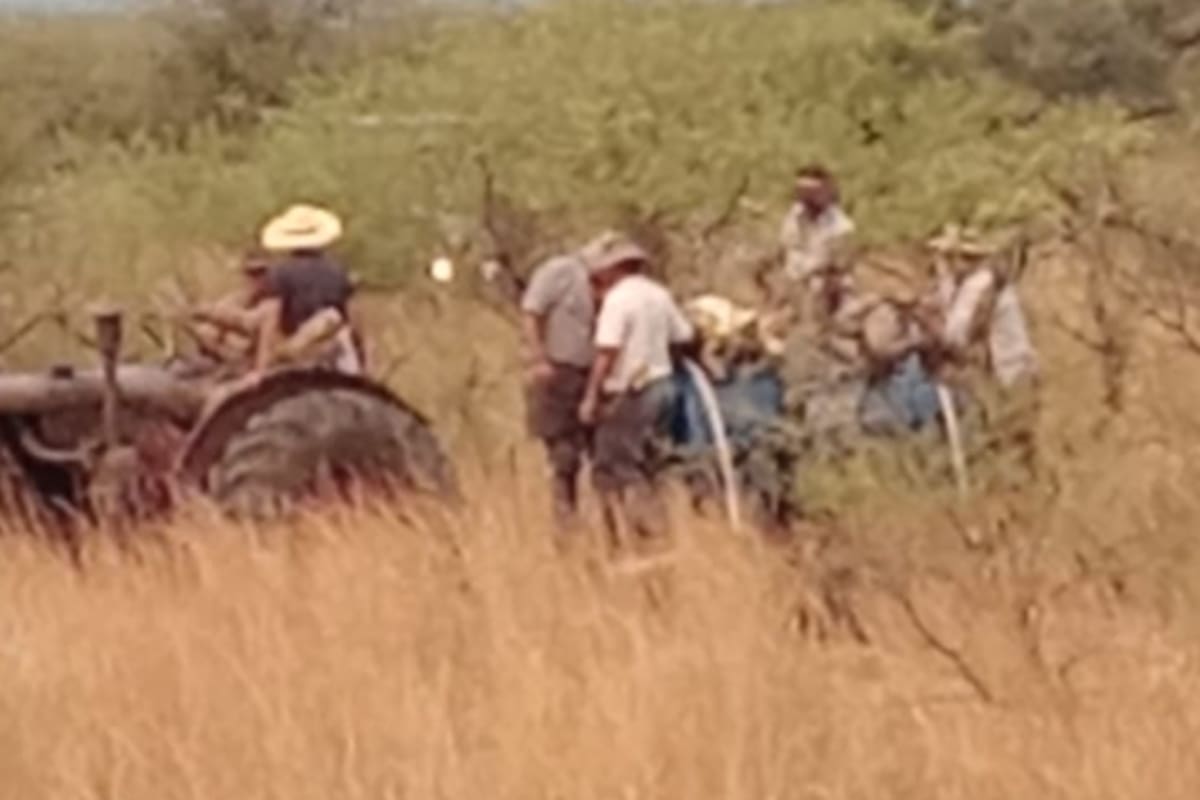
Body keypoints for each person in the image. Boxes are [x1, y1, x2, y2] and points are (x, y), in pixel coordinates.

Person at [578, 231, 695, 548]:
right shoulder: (659, 294)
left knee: (615, 464)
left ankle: (639, 534)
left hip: (633, 391)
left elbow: (607, 352)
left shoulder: (618, 300)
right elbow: (683, 335)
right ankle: (656, 531)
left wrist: (591, 397)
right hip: (664, 387)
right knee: (652, 462)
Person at [190, 204, 362, 376]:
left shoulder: (281, 273)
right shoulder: (339, 271)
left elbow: (269, 320)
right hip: (336, 349)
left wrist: (261, 369)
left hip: (298, 347)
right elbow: (351, 319)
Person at [519, 246, 595, 527]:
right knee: (563, 457)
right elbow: (531, 311)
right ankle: (565, 524)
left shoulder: (609, 284)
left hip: (591, 374)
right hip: (558, 371)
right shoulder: (561, 271)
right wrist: (538, 358)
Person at [778, 164, 857, 316]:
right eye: (802, 192)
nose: (806, 197)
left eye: (812, 192)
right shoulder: (794, 217)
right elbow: (785, 248)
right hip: (793, 283)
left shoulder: (841, 226)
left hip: (826, 288)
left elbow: (841, 264)